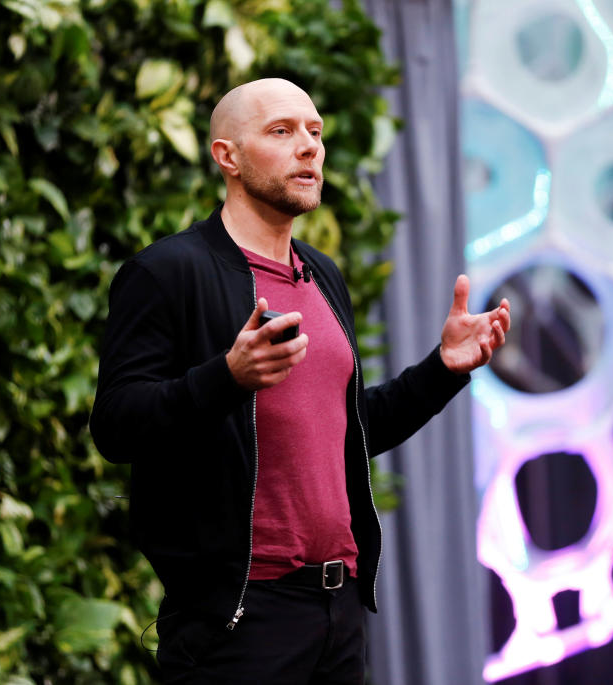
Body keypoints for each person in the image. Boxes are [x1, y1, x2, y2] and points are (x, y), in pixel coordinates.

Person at [90, 78, 510, 684]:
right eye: (282, 131)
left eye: (315, 132)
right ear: (227, 157)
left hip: (337, 614)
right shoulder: (167, 272)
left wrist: (441, 371)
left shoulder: (321, 274)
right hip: (237, 623)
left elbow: (345, 430)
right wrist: (227, 377)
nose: (309, 148)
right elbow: (116, 427)